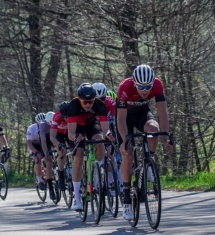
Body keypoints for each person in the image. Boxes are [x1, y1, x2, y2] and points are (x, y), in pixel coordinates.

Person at [116, 64, 173, 220]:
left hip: (142, 114)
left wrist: (166, 135)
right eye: (141, 86)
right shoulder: (125, 87)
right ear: (134, 82)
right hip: (124, 118)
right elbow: (120, 119)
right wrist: (124, 140)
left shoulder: (157, 84)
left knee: (154, 130)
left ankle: (148, 163)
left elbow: (162, 113)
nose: (145, 90)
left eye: (148, 86)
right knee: (128, 154)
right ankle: (127, 197)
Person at [67, 83, 113, 211]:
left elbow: (105, 129)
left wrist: (108, 135)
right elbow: (70, 133)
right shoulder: (73, 105)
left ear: (95, 99)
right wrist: (76, 137)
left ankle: (98, 171)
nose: (88, 105)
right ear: (79, 100)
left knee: (99, 140)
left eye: (90, 102)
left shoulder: (100, 105)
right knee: (79, 156)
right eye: (84, 102)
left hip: (92, 124)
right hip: (77, 128)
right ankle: (77, 197)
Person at [92, 83, 117, 195]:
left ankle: (111, 182)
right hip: (93, 125)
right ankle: (95, 172)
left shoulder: (110, 101)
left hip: (107, 123)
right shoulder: (88, 103)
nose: (100, 101)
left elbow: (117, 117)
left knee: (111, 155)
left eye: (102, 98)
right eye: (97, 99)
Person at [50, 102, 70, 192]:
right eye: (64, 116)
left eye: (67, 115)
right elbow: (52, 137)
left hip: (69, 133)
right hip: (59, 135)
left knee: (77, 149)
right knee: (62, 152)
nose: (66, 118)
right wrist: (59, 145)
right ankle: (61, 175)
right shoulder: (56, 117)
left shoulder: (74, 113)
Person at [39, 111, 57, 201]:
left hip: (54, 137)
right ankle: (50, 188)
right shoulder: (43, 125)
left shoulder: (57, 121)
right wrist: (46, 153)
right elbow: (43, 141)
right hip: (45, 140)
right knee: (49, 162)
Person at [26, 113, 47, 191]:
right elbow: (29, 143)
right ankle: (39, 180)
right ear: (37, 123)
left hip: (43, 143)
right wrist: (35, 152)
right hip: (33, 144)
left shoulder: (47, 127)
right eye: (40, 124)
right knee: (37, 159)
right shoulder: (31, 128)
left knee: (49, 157)